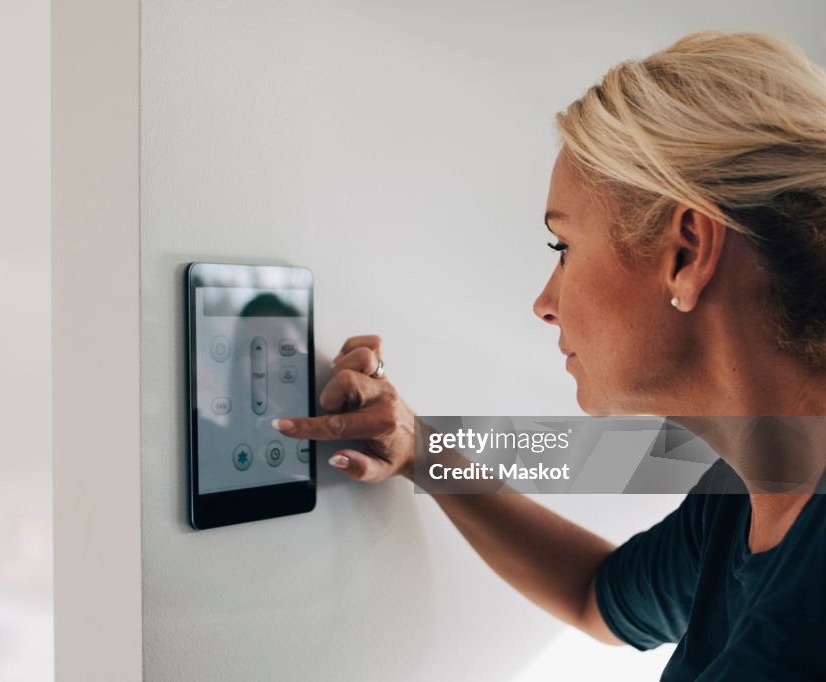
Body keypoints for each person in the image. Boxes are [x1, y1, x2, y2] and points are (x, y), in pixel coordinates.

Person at [272, 31, 826, 680]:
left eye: (561, 247)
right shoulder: (752, 486)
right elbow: (594, 594)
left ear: (686, 252)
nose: (545, 302)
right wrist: (422, 450)